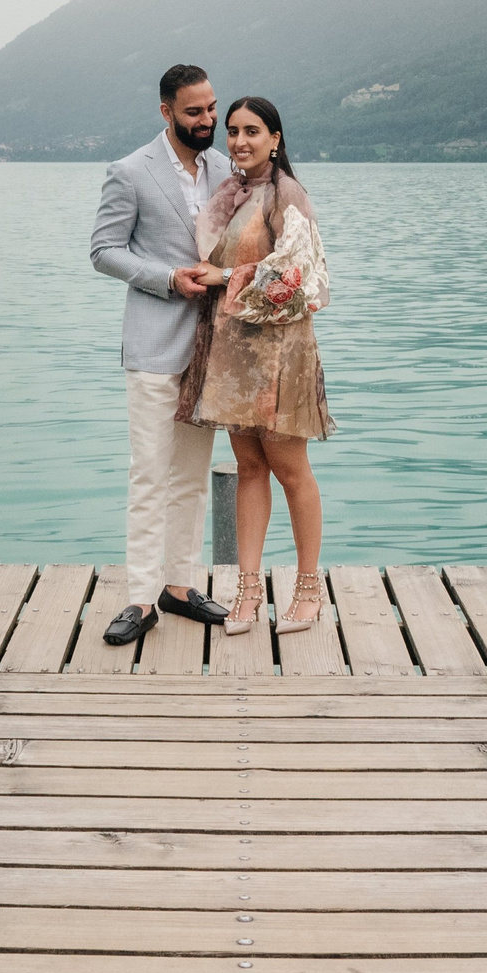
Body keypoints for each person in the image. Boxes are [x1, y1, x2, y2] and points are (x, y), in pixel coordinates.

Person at [87, 63, 235, 645]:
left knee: (192, 477)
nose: (207, 120)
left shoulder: (226, 168)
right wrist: (168, 278)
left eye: (212, 108)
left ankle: (178, 586)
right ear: (166, 111)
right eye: (194, 111)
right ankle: (141, 599)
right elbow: (103, 250)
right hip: (153, 344)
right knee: (149, 474)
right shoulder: (129, 171)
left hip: (211, 347)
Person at [177, 96, 333, 635]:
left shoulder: (288, 194)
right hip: (233, 352)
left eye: (252, 131)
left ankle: (309, 590)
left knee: (291, 470)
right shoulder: (230, 192)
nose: (239, 141)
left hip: (280, 352)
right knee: (248, 468)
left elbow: (300, 276)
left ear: (275, 138)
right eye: (233, 131)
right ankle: (247, 591)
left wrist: (224, 278)